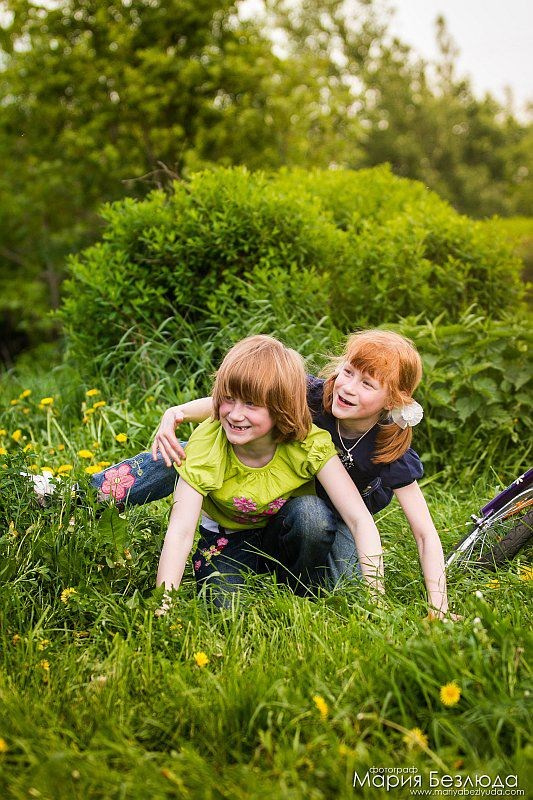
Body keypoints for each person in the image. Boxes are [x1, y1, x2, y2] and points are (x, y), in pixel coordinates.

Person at [154, 335, 383, 608]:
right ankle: (97, 493)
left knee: (312, 514)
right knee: (223, 610)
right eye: (228, 399)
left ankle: (299, 588)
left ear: (281, 408)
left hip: (284, 534)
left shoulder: (309, 443)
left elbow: (359, 519)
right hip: (230, 536)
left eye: (251, 404)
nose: (236, 414)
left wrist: (376, 600)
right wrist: (163, 606)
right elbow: (180, 532)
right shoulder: (207, 442)